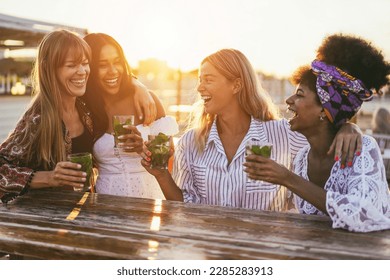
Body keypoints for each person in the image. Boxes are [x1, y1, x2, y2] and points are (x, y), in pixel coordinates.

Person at [141, 48, 362, 211]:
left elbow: (323, 132)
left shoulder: (285, 135)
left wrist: (347, 127)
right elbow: (183, 206)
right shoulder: (190, 141)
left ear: (236, 85)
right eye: (199, 80)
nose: (199, 88)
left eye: (208, 79)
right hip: (209, 253)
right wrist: (161, 174)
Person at [244, 34, 390, 232]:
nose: (289, 100)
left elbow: (362, 215)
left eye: (300, 94)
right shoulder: (303, 158)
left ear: (324, 110)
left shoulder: (362, 149)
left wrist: (286, 178)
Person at [0, 30, 94, 203]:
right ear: (48, 68)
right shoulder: (38, 118)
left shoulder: (85, 107)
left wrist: (138, 87)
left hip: (83, 215)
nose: (82, 71)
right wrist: (49, 177)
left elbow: (114, 77)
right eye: (71, 65)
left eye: (85, 63)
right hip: (43, 223)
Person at [83, 33, 177, 199]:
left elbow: (164, 162)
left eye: (117, 62)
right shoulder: (85, 108)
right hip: (106, 202)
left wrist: (142, 148)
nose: (113, 71)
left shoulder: (148, 101)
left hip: (151, 198)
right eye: (102, 65)